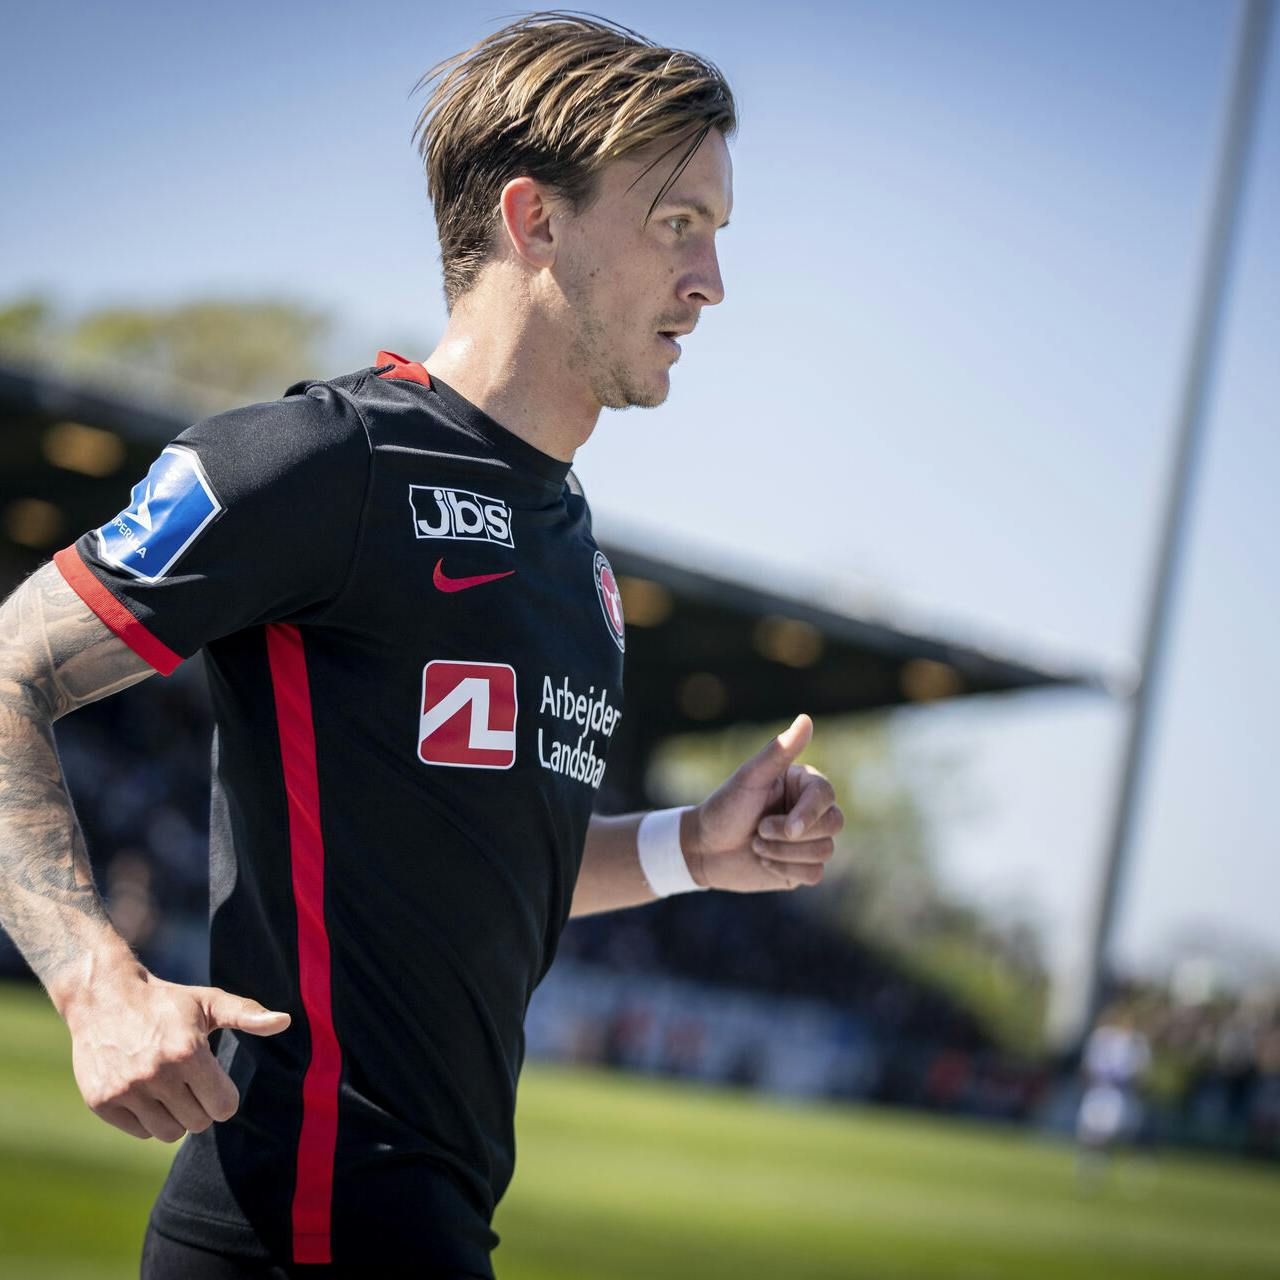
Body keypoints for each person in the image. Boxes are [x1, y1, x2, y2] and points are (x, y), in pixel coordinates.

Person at [0, 13, 843, 1277]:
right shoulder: (322, 462)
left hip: (430, 1224)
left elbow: (468, 860)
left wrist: (690, 848)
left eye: (717, 231)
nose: (711, 278)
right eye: (678, 222)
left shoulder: (576, 556)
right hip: (295, 1223)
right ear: (534, 220)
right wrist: (91, 979)